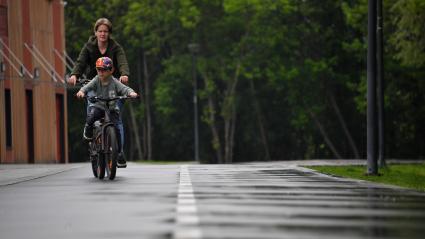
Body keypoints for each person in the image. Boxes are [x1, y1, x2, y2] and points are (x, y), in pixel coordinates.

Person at [68, 18, 130, 161]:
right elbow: (80, 62)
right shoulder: (89, 46)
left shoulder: (115, 47)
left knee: (117, 118)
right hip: (93, 83)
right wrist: (74, 75)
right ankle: (91, 130)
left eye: (106, 31)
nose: (103, 34)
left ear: (109, 33)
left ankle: (119, 152)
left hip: (113, 85)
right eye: (100, 31)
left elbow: (122, 62)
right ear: (95, 32)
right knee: (92, 109)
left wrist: (124, 74)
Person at [76, 57, 138, 167]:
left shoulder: (114, 82)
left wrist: (131, 93)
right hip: (99, 107)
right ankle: (88, 130)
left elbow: (125, 89)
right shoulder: (96, 80)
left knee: (118, 131)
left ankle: (118, 152)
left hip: (112, 109)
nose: (101, 72)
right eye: (98, 69)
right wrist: (81, 91)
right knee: (91, 116)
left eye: (104, 70)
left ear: (111, 71)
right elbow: (87, 87)